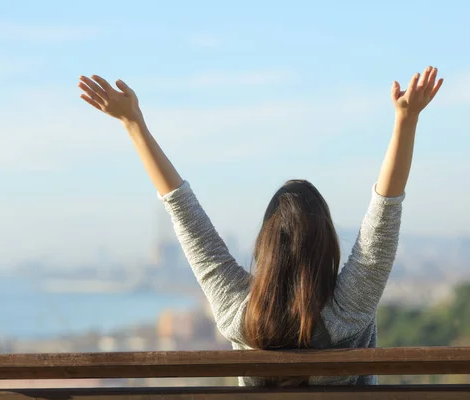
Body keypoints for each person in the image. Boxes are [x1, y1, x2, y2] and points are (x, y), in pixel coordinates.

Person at [77, 66, 443, 386]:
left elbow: (185, 214)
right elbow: (384, 215)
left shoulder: (239, 313)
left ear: (265, 246)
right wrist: (405, 121)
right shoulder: (347, 312)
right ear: (326, 242)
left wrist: (133, 123)